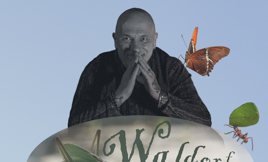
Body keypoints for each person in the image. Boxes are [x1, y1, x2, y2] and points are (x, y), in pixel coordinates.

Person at [68, 9, 212, 126]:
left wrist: (159, 96)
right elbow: (73, 126)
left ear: (154, 40)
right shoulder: (97, 67)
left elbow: (204, 121)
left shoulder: (170, 68)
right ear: (115, 40)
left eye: (143, 39)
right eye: (127, 38)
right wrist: (119, 96)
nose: (135, 48)